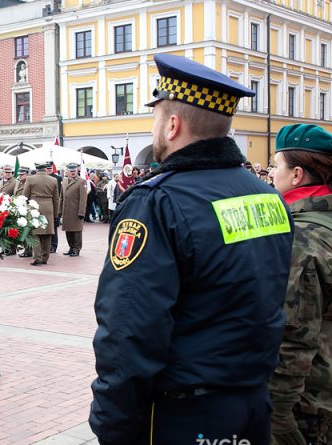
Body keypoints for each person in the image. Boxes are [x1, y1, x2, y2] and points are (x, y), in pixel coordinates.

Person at [89, 54, 294, 444]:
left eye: (155, 119)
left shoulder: (156, 202)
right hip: (252, 403)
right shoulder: (267, 196)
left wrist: (112, 425)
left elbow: (130, 328)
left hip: (185, 415)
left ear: (172, 124)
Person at [268, 124, 332, 445]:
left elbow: (293, 341)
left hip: (310, 407)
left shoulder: (301, 238)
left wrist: (279, 418)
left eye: (274, 165)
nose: (270, 174)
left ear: (296, 175)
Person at [23, 163, 59, 266]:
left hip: (35, 206)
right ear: (45, 169)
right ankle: (45, 258)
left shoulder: (30, 179)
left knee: (35, 233)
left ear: (37, 169)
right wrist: (56, 214)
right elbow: (56, 199)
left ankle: (37, 258)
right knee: (47, 233)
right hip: (49, 207)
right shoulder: (53, 180)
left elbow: (25, 196)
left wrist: (25, 210)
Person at [61, 163, 87, 257]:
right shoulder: (65, 181)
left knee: (76, 231)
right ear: (67, 171)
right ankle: (71, 247)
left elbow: (83, 199)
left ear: (77, 171)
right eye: (70, 171)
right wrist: (60, 210)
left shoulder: (81, 181)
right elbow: (62, 197)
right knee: (68, 230)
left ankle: (76, 249)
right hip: (67, 211)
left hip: (76, 211)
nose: (72, 173)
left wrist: (81, 212)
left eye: (74, 171)